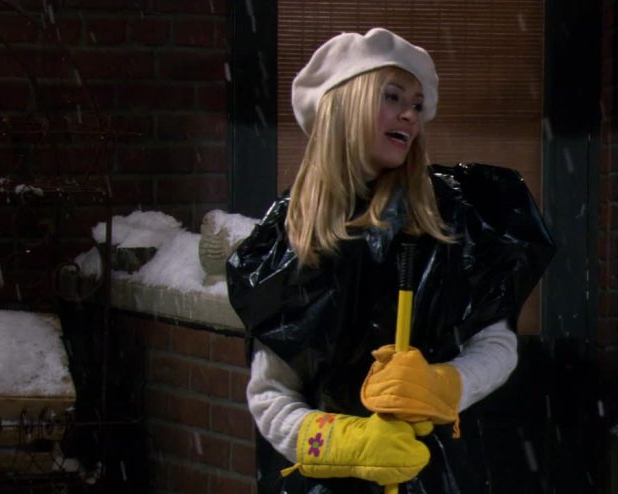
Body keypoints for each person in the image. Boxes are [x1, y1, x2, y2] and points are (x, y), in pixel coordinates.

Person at [227, 28, 555, 494]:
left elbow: (497, 346)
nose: (410, 114)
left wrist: (443, 385)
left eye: (417, 104)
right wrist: (347, 443)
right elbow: (270, 394)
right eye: (392, 96)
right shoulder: (288, 239)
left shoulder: (453, 217)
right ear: (345, 105)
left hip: (433, 475)